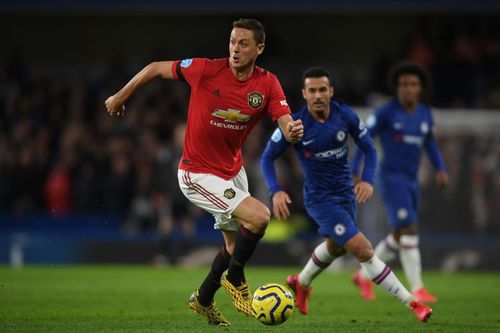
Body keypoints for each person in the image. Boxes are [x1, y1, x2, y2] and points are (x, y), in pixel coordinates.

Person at [105, 18, 304, 327]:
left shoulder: (267, 83)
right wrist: (120, 96)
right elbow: (156, 67)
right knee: (260, 217)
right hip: (197, 174)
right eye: (232, 42)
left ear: (259, 48)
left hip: (232, 169)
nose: (235, 49)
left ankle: (203, 299)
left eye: (243, 44)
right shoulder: (206, 69)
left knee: (232, 246)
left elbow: (284, 119)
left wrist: (291, 131)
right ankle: (235, 278)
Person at [260, 67, 432, 322]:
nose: (317, 95)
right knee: (363, 250)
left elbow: (370, 149)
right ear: (304, 94)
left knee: (337, 247)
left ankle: (301, 282)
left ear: (331, 91)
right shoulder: (295, 124)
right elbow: (267, 158)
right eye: (312, 91)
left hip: (345, 195)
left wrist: (366, 180)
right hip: (320, 200)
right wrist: (275, 191)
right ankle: (413, 302)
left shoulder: (345, 116)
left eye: (322, 90)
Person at [351, 61, 448, 303]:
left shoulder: (425, 113)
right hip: (392, 178)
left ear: (420, 88)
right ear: (396, 88)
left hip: (411, 179)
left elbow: (431, 144)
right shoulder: (385, 113)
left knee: (398, 234)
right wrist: (355, 170)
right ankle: (417, 287)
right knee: (409, 229)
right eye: (403, 84)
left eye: (413, 84)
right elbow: (364, 138)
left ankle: (363, 275)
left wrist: (441, 169)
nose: (408, 88)